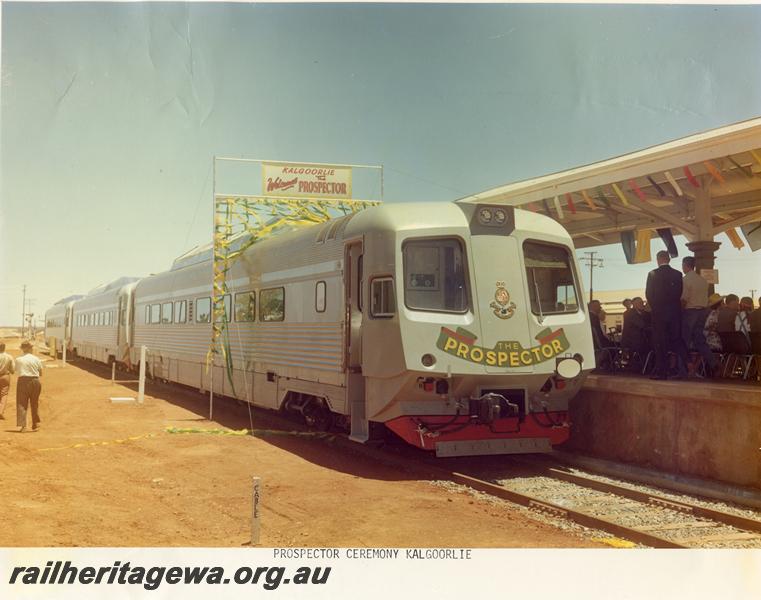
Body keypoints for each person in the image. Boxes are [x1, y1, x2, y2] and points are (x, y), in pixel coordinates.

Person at [645, 250, 690, 379]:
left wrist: (656, 307)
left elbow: (649, 294)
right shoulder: (677, 274)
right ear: (669, 259)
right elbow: (679, 293)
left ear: (658, 259)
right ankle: (687, 362)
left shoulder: (652, 274)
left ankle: (662, 371)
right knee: (676, 339)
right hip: (674, 313)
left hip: (659, 313)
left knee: (660, 342)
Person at [680, 256, 716, 375]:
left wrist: (679, 310)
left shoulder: (686, 280)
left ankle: (683, 370)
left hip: (690, 311)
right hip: (702, 312)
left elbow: (684, 299)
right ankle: (713, 363)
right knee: (699, 340)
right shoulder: (702, 280)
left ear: (685, 265)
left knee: (684, 340)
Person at [15, 341, 43, 432]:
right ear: (29, 348)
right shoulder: (36, 359)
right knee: (34, 403)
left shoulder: (18, 359)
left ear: (23, 349)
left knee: (22, 403)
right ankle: (35, 424)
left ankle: (23, 426)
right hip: (35, 381)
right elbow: (40, 373)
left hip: (23, 381)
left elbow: (17, 371)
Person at [0, 343, 15, 420]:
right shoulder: (9, 357)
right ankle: (0, 411)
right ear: (4, 348)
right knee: (4, 394)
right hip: (5, 376)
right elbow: (12, 370)